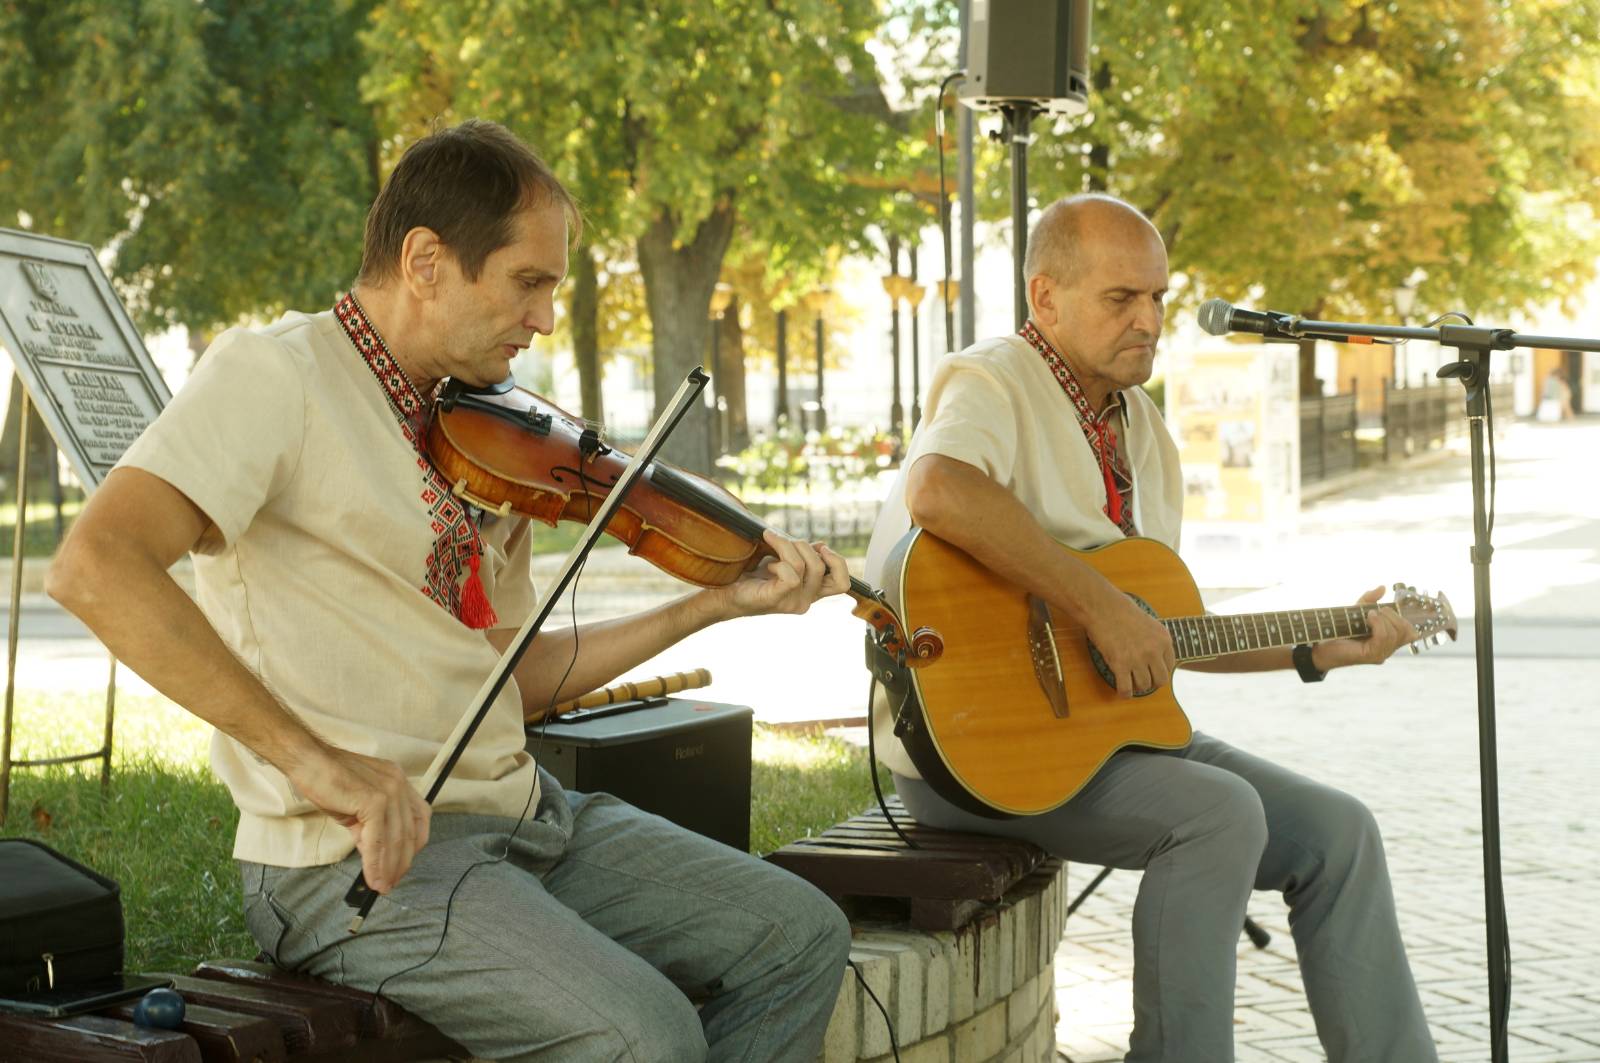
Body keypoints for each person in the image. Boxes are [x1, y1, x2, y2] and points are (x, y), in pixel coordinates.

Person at [46, 119, 854, 1063]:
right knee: (646, 1036)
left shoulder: (481, 433)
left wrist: (711, 603)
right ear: (425, 260)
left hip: (530, 817)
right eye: (528, 282)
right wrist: (318, 764)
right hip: (349, 865)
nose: (547, 316)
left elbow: (513, 677)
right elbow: (96, 566)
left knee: (799, 935)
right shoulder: (276, 373)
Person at [863, 193, 1438, 1062]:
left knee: (1339, 830)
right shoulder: (993, 377)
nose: (1149, 320)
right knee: (1219, 815)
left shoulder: (1147, 434)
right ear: (1045, 296)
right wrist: (1098, 605)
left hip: (1104, 746)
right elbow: (938, 488)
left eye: (1159, 298)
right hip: (968, 751)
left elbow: (1163, 632)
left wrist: (1320, 648)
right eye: (1121, 298)